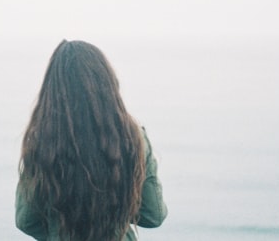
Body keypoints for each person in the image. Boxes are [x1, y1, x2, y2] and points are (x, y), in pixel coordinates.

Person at [16, 40, 167, 241]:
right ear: (107, 84)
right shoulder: (133, 137)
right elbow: (152, 215)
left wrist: (57, 232)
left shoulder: (43, 141)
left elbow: (26, 221)